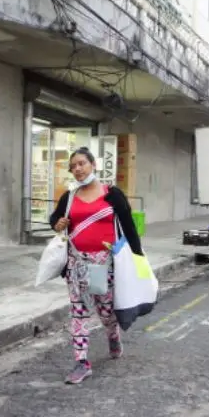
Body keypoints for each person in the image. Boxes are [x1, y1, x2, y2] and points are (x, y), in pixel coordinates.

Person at [49, 147, 143, 385]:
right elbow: (54, 219)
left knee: (106, 311)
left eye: (82, 163)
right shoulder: (69, 197)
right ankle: (81, 362)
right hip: (76, 263)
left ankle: (113, 335)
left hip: (105, 264)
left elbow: (129, 226)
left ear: (93, 165)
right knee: (78, 311)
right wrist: (57, 224)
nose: (77, 169)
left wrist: (139, 258)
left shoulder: (112, 194)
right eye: (73, 166)